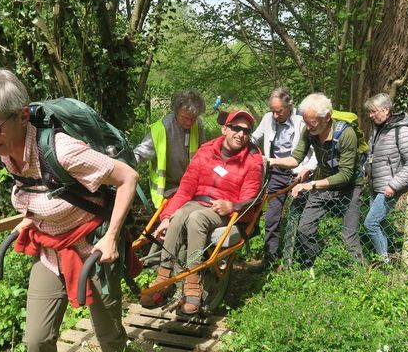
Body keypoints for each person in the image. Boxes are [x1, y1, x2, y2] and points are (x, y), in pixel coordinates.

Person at [0, 69, 138, 352]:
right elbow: (38, 188)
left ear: (22, 115)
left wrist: (113, 237)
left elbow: (127, 176)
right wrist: (30, 215)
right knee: (37, 337)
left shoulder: (63, 150)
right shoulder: (6, 148)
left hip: (91, 249)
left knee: (108, 330)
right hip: (50, 249)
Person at [140, 110, 263, 315]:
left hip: (223, 210)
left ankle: (192, 281)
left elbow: (251, 202)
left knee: (196, 218)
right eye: (236, 128)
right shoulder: (206, 151)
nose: (241, 134)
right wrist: (166, 217)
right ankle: (163, 277)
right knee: (179, 215)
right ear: (225, 129)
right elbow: (185, 189)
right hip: (197, 202)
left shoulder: (252, 160)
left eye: (246, 131)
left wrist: (231, 205)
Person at [269, 92, 363, 266]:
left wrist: (311, 185)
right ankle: (314, 261)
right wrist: (272, 161)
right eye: (305, 121)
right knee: (304, 229)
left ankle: (359, 275)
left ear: (326, 117)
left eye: (311, 122)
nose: (307, 126)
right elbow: (295, 158)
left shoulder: (346, 134)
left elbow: (346, 175)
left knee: (348, 235)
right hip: (324, 182)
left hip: (350, 186)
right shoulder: (309, 131)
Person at [249, 87, 316, 272]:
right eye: (272, 110)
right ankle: (269, 260)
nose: (275, 115)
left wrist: (307, 170)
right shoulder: (268, 119)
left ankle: (295, 262)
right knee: (272, 218)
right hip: (275, 173)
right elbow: (254, 139)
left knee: (298, 218)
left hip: (299, 173)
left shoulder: (303, 121)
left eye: (279, 111)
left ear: (290, 106)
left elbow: (315, 151)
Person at [364, 93, 408, 262]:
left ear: (386, 110)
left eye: (373, 112)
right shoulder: (377, 128)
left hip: (388, 187)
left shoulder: (403, 131)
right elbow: (372, 155)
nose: (370, 115)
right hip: (375, 184)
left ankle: (384, 261)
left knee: (370, 223)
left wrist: (394, 185)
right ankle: (384, 257)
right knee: (377, 223)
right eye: (369, 112)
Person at [134, 89, 206, 208]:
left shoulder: (198, 125)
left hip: (191, 184)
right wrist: (125, 165)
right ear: (176, 111)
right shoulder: (162, 128)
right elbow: (141, 153)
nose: (189, 123)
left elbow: (204, 152)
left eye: (193, 118)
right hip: (167, 187)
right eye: (185, 118)